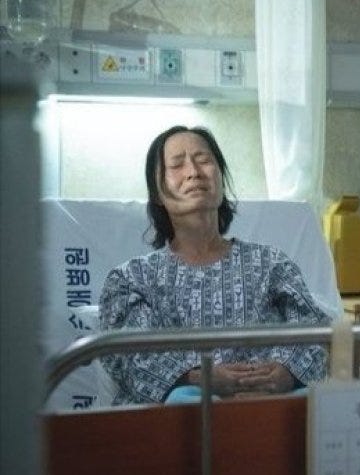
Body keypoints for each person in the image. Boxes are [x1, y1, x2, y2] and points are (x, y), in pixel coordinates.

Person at [100, 125, 331, 405]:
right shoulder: (131, 280)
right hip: (182, 412)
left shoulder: (272, 264)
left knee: (317, 403)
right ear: (158, 193)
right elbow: (131, 357)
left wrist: (286, 374)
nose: (193, 172)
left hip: (271, 403)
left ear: (221, 180)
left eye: (204, 160)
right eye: (177, 165)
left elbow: (315, 334)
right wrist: (199, 378)